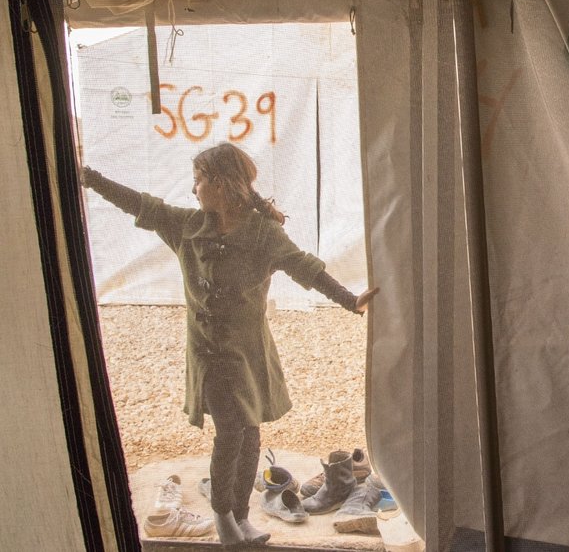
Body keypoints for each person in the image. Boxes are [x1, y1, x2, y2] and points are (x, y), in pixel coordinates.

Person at [80, 143, 378, 546]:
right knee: (230, 432)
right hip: (208, 353)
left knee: (250, 431)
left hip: (248, 352)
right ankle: (223, 517)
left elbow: (303, 266)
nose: (194, 188)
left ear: (220, 184)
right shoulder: (186, 226)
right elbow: (138, 204)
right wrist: (89, 178)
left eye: (199, 179)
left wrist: (349, 300)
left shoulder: (262, 233)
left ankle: (239, 515)